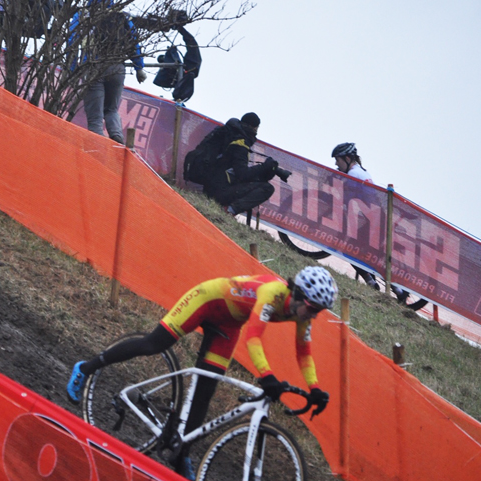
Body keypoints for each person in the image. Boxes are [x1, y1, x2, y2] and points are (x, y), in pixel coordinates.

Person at [66, 266, 336, 480]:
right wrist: (266, 375)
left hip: (228, 324)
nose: (313, 315)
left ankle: (181, 453)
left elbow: (304, 352)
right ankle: (86, 368)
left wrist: (314, 388)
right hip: (208, 300)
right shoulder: (274, 294)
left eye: (319, 312)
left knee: (206, 390)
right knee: (154, 344)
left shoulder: (301, 314)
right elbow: (253, 339)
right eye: (312, 309)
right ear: (299, 294)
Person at [331, 142, 409, 301]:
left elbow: (347, 199)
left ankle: (378, 285)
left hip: (372, 219)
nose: (336, 164)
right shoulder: (360, 171)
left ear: (347, 158)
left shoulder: (354, 174)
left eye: (337, 160)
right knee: (370, 256)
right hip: (373, 218)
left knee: (351, 250)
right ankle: (395, 290)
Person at [68, 0, 147, 144]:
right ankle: (118, 141)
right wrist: (139, 68)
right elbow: (134, 42)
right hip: (117, 67)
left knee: (95, 120)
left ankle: (99, 152)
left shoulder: (84, 15)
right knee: (111, 110)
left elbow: (72, 41)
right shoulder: (122, 16)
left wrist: (72, 69)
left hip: (93, 67)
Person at [202, 112, 281, 216]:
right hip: (218, 191)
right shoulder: (240, 144)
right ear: (254, 127)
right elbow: (242, 174)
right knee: (267, 188)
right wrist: (264, 167)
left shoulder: (231, 136)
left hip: (211, 187)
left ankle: (228, 208)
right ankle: (229, 210)